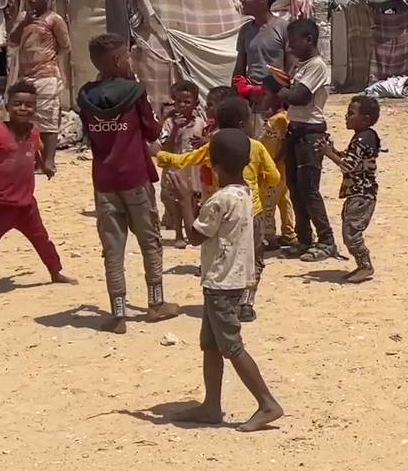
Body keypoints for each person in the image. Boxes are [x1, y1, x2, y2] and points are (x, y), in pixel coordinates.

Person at [172, 128, 284, 432]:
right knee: (210, 345)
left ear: (213, 164)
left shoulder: (220, 200)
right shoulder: (245, 193)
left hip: (221, 281)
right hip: (229, 279)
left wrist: (184, 201)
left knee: (231, 346)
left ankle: (267, 403)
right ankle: (211, 405)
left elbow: (196, 235)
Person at [76, 33, 179, 333]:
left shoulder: (85, 96)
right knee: (150, 242)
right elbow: (150, 133)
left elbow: (90, 133)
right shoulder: (135, 92)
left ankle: (118, 313)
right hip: (135, 178)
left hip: (104, 181)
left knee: (112, 248)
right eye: (128, 57)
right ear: (120, 60)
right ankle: (156, 303)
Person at [153, 97, 280, 323]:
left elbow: (184, 160)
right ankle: (246, 303)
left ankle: (226, 299)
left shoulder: (214, 145)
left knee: (225, 256)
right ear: (244, 123)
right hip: (253, 212)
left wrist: (158, 155)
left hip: (222, 211)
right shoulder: (257, 147)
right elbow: (274, 177)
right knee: (254, 260)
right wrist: (259, 178)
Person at [0, 81, 77, 305]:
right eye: (18, 104)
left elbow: (37, 153)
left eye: (29, 105)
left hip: (26, 206)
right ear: (8, 106)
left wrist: (45, 166)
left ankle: (55, 272)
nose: (23, 108)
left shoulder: (33, 132)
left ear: (35, 107)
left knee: (42, 240)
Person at [277, 19, 336, 261]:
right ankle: (304, 238)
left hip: (311, 133)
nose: (290, 47)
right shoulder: (300, 66)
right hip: (295, 130)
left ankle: (327, 241)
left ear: (309, 40)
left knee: (309, 190)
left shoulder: (317, 66)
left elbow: (299, 96)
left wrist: (272, 86)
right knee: (295, 188)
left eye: (294, 42)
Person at [7, 0, 71, 174]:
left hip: (46, 75)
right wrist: (25, 22)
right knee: (26, 120)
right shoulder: (24, 18)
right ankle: (32, 159)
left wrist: (46, 59)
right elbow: (12, 41)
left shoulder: (54, 20)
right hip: (26, 78)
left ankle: (49, 161)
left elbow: (65, 46)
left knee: (48, 120)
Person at [319, 95, 382, 283]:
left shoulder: (363, 138)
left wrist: (329, 153)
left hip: (362, 194)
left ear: (365, 120)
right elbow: (351, 159)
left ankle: (365, 266)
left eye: (351, 113)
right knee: (350, 230)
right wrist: (334, 151)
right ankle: (362, 265)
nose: (346, 117)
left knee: (351, 234)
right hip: (359, 193)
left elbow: (349, 166)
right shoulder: (365, 137)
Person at [234, 0, 293, 121]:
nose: (242, 0)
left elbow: (291, 67)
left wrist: (279, 96)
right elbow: (239, 68)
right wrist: (235, 96)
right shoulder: (245, 30)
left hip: (275, 102)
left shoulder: (283, 28)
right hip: (251, 101)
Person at [158, 80, 208, 248]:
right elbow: (165, 147)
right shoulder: (170, 123)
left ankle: (191, 232)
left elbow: (206, 142)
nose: (182, 105)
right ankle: (178, 235)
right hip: (176, 168)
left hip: (194, 169)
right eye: (179, 101)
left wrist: (202, 141)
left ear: (196, 103)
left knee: (193, 201)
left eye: (187, 102)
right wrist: (175, 131)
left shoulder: (200, 122)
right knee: (177, 201)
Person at [258, 95, 297, 249]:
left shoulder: (275, 121)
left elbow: (280, 145)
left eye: (266, 93)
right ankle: (289, 233)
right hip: (284, 168)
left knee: (268, 202)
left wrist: (270, 163)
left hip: (273, 168)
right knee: (284, 200)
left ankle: (269, 236)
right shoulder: (288, 117)